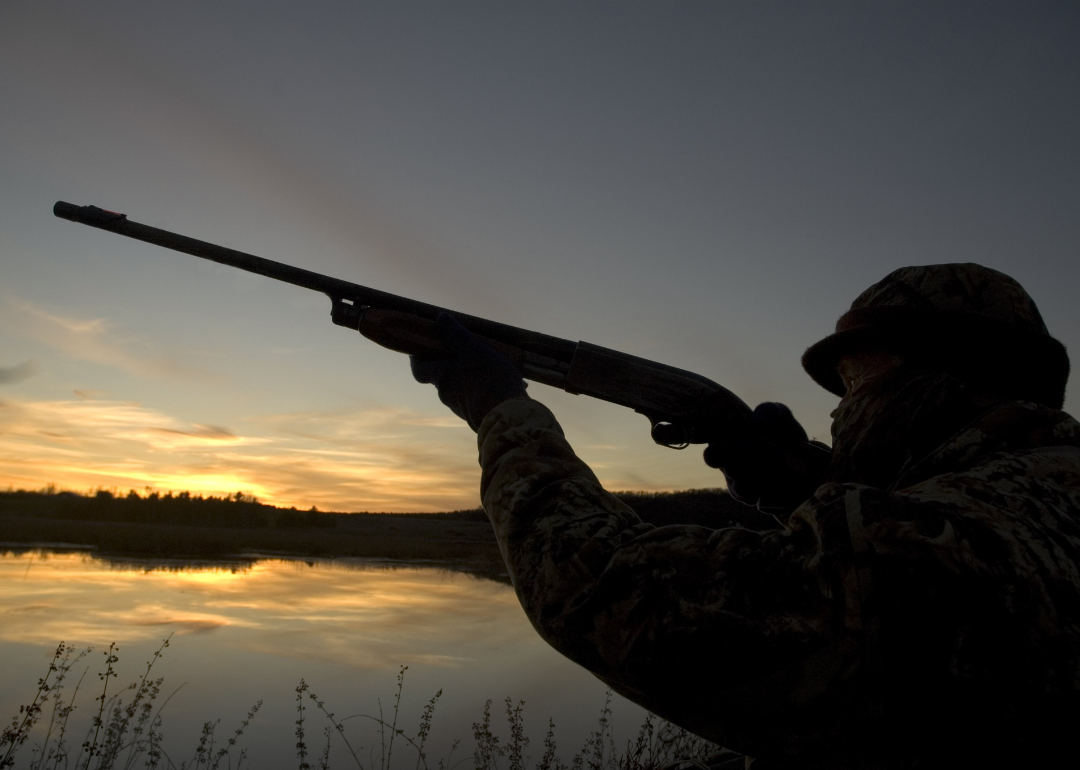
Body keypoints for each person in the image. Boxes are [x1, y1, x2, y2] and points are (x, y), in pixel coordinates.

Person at [410, 263, 1080, 769]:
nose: (840, 413)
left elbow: (602, 591)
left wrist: (498, 407)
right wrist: (805, 481)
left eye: (855, 383)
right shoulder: (1044, 487)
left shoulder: (918, 547)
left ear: (941, 376)